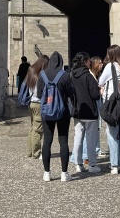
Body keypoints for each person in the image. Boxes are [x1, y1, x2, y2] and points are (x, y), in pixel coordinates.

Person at [40, 51, 75, 182]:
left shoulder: (42, 74)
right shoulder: (64, 75)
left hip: (47, 110)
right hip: (62, 110)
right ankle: (64, 173)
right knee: (63, 141)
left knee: (47, 141)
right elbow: (70, 93)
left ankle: (47, 173)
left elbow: (39, 93)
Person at [98, 44, 120, 174]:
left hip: (113, 104)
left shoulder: (110, 66)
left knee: (113, 134)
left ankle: (114, 165)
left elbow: (100, 82)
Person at [70, 51, 101, 174]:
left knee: (78, 137)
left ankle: (78, 163)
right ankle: (92, 164)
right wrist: (99, 90)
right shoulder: (88, 76)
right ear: (85, 61)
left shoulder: (72, 75)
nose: (90, 63)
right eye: (88, 61)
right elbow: (95, 95)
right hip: (89, 111)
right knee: (91, 139)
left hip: (77, 110)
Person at [25, 55, 48, 159]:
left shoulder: (31, 71)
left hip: (31, 102)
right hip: (38, 103)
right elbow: (39, 92)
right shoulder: (40, 75)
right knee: (38, 129)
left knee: (32, 128)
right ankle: (36, 153)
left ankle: (29, 151)